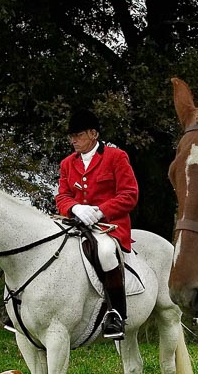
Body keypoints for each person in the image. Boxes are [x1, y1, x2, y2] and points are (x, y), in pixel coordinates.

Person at [55, 107, 139, 340]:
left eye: (78, 135)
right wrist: (74, 208)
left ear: (93, 134)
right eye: (71, 136)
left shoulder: (116, 157)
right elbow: (62, 195)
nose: (73, 140)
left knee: (105, 252)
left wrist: (101, 211)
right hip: (76, 223)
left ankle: (116, 314)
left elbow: (129, 194)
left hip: (108, 226)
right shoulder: (67, 163)